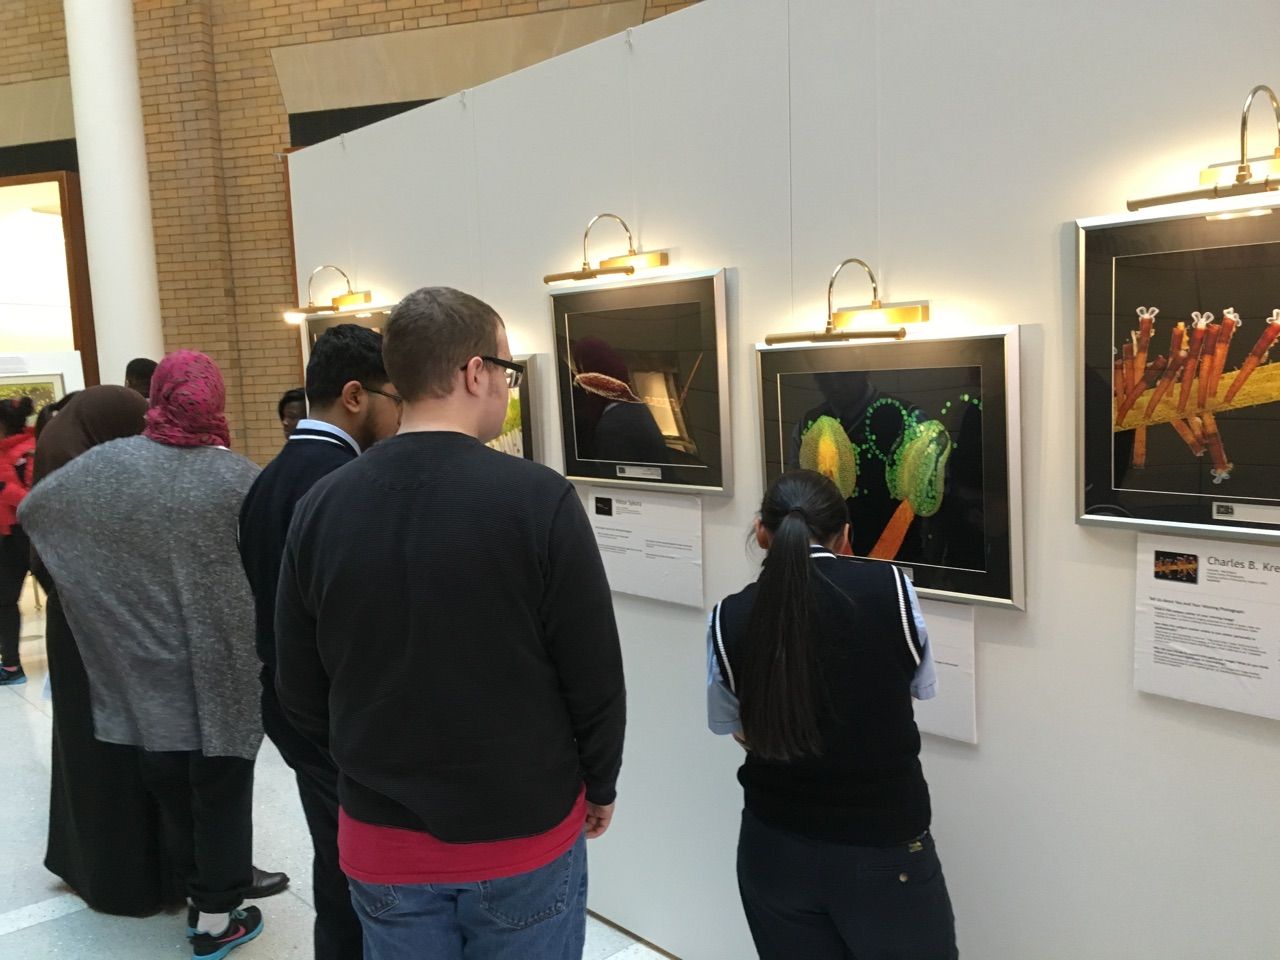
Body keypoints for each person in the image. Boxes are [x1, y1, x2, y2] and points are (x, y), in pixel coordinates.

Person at [276, 287, 626, 960]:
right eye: (507, 370)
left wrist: (368, 763)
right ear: (475, 372)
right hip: (522, 830)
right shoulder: (537, 499)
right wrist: (600, 780)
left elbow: (298, 686)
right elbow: (593, 673)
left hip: (381, 836)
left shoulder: (322, 505)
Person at [20, 351, 283, 958]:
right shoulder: (240, 478)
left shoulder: (108, 465)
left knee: (168, 781)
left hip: (140, 666)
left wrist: (103, 590)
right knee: (221, 789)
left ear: (158, 397)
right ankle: (216, 919)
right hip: (223, 669)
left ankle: (198, 890)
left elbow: (37, 511)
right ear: (215, 403)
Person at [707, 469, 958, 960]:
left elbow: (736, 728)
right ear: (846, 536)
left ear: (761, 531)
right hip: (882, 849)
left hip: (773, 847)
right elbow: (913, 690)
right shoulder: (890, 588)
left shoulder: (728, 616)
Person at [239, 324, 401, 960]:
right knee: (355, 870)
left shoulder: (273, 476)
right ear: (356, 396)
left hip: (296, 708)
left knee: (337, 857)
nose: (401, 412)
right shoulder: (338, 485)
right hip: (335, 718)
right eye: (396, 396)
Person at [28, 385, 182, 915]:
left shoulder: (62, 479)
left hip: (77, 638)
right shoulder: (100, 491)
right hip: (115, 639)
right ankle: (145, 878)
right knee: (128, 757)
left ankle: (103, 871)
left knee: (91, 758)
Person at [0, 396, 36, 684]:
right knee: (4, 601)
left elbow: (37, 498)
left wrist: (4, 490)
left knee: (64, 600)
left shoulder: (31, 451)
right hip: (8, 537)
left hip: (32, 536)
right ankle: (11, 666)